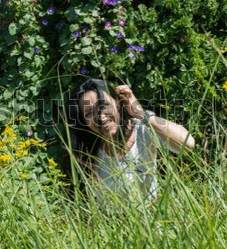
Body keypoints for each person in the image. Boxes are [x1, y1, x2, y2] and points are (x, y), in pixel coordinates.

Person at [64, 78, 195, 208]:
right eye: (89, 113)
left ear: (118, 103)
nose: (100, 117)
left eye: (103, 106)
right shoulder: (87, 150)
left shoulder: (142, 129)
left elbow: (187, 144)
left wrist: (142, 114)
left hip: (150, 222)